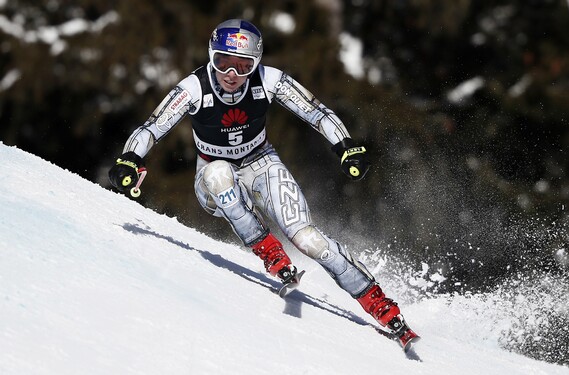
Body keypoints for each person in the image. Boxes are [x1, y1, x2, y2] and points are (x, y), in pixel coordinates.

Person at [108, 19, 419, 349]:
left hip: (262, 163)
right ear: (211, 57)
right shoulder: (194, 88)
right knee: (219, 175)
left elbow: (316, 112)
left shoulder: (269, 80)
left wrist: (345, 146)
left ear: (254, 65)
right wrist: (131, 158)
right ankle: (269, 252)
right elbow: (152, 127)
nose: (231, 74)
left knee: (307, 238)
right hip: (211, 175)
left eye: (243, 66)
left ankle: (380, 305)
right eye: (223, 62)